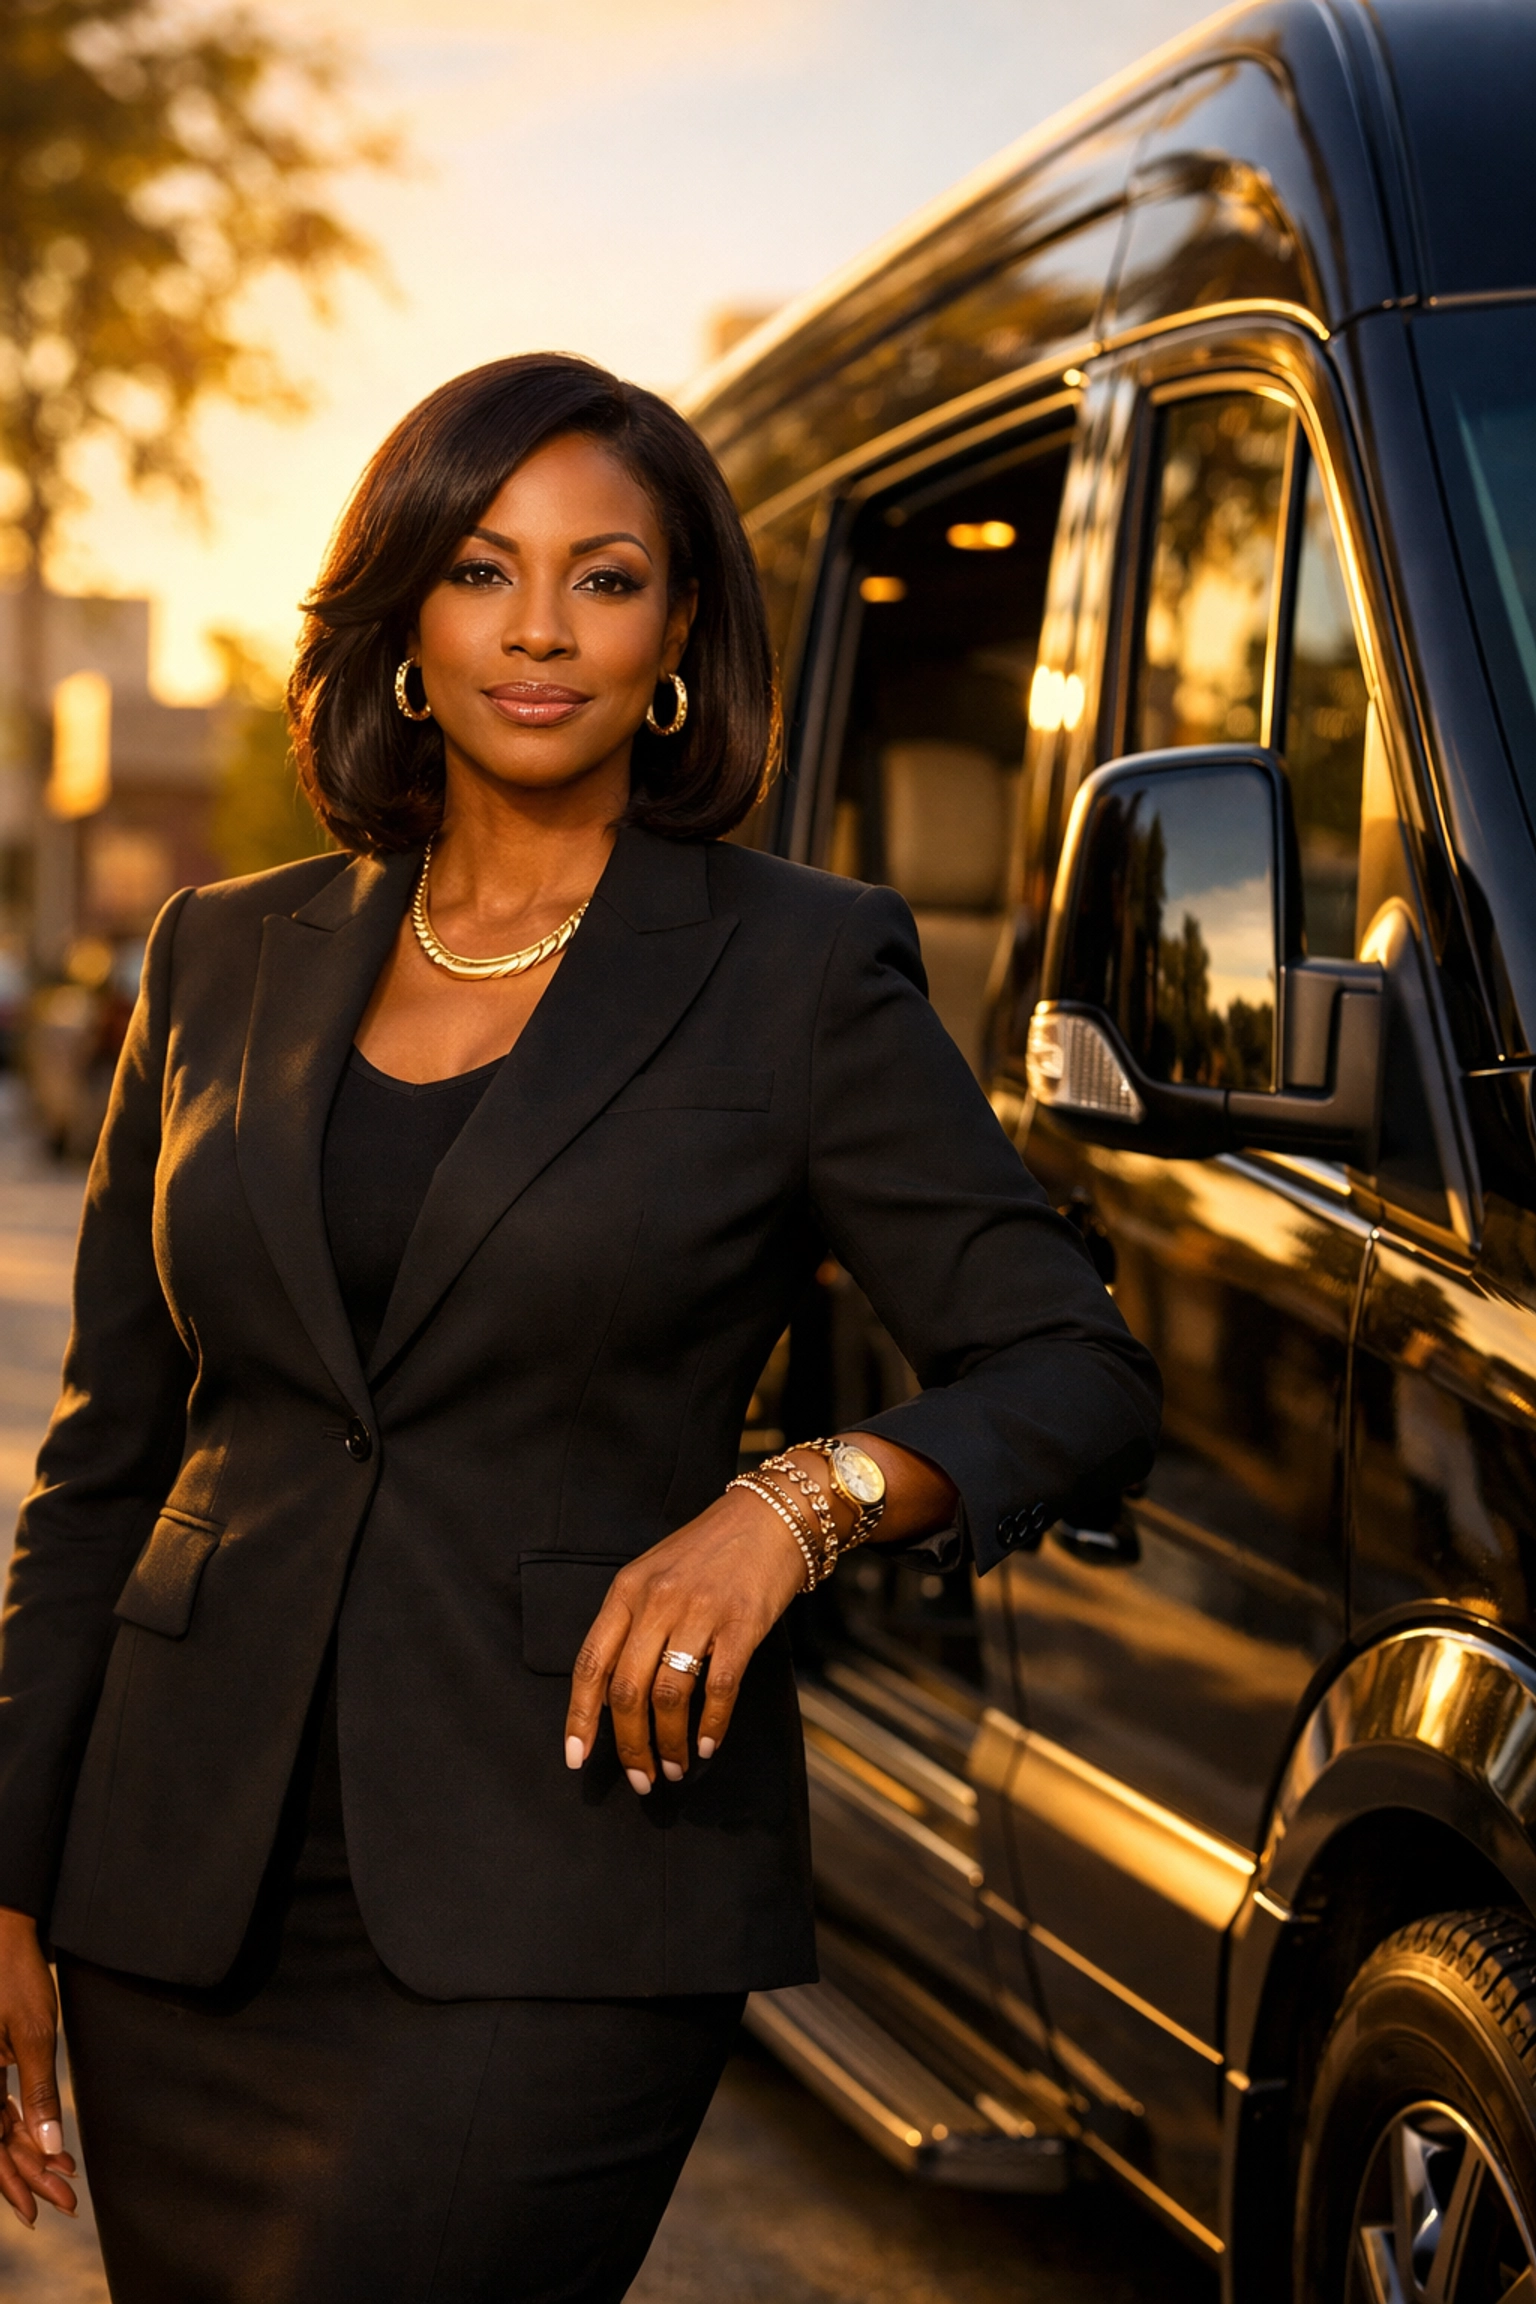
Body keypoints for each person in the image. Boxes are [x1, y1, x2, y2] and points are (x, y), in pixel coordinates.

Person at [0, 353, 1160, 2302]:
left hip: (564, 1879)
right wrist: (14, 1864)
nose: (540, 629)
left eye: (603, 578)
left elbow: (1075, 1370)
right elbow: (109, 1454)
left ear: (680, 626)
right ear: (401, 622)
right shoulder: (220, 952)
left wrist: (797, 1498)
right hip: (176, 1883)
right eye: (481, 569)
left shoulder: (799, 969)